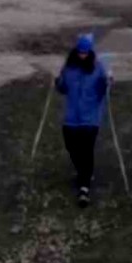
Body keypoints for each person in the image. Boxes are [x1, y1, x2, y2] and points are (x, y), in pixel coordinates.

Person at [54, 33, 112, 207]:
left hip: (90, 118)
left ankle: (84, 189)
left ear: (90, 52)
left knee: (86, 150)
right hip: (71, 118)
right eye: (80, 52)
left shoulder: (98, 68)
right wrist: (57, 82)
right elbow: (63, 88)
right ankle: (84, 172)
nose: (82, 55)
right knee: (71, 147)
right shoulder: (69, 68)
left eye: (85, 53)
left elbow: (102, 90)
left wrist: (107, 82)